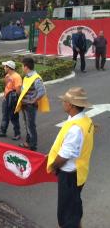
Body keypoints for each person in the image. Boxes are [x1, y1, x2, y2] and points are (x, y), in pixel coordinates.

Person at [47, 87, 94, 228]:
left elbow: (64, 157)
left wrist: (54, 166)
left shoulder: (75, 128)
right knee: (73, 207)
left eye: (65, 101)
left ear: (71, 105)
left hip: (69, 175)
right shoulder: (85, 120)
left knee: (66, 215)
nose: (63, 103)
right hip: (80, 171)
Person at [15, 57, 50, 151]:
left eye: (22, 66)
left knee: (31, 126)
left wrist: (33, 100)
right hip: (25, 105)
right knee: (27, 125)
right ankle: (28, 142)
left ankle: (33, 145)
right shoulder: (27, 77)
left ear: (26, 67)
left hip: (30, 106)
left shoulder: (36, 78)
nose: (22, 68)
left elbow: (42, 91)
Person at [0, 61, 22, 140]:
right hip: (6, 99)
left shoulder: (17, 77)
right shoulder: (7, 76)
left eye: (5, 67)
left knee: (13, 117)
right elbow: (7, 86)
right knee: (5, 115)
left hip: (13, 99)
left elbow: (18, 90)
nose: (4, 68)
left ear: (9, 68)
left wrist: (16, 100)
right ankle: (3, 131)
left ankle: (17, 133)